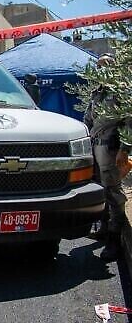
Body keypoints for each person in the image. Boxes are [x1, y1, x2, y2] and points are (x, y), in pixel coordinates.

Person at [84, 54, 132, 262]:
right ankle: (104, 228)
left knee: (113, 193)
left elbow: (129, 122)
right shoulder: (98, 92)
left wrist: (125, 149)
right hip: (95, 146)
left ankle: (114, 239)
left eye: (105, 65)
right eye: (98, 66)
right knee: (99, 189)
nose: (101, 70)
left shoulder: (121, 91)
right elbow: (88, 118)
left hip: (110, 148)